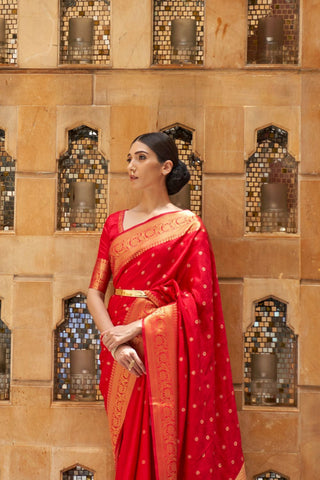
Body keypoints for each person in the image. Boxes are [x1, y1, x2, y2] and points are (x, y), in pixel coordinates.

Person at [87, 131, 246, 480]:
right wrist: (113, 340)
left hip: (163, 350)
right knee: (128, 445)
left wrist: (138, 329)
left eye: (141, 157)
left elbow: (199, 300)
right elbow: (94, 292)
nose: (131, 166)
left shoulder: (189, 228)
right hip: (118, 351)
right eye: (129, 158)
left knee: (165, 440)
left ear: (166, 166)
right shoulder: (114, 224)